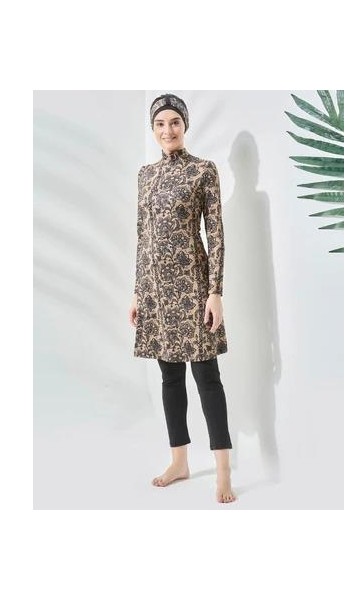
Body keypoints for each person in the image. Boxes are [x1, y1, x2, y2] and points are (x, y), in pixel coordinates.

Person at [129, 93, 236, 503]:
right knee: (170, 377)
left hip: (193, 288)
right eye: (160, 124)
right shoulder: (145, 175)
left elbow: (216, 234)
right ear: (153, 129)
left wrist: (215, 292)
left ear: (185, 125)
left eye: (174, 122)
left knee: (207, 378)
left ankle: (223, 471)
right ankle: (179, 461)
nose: (167, 130)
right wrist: (138, 291)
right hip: (156, 291)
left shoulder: (203, 171)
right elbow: (143, 237)